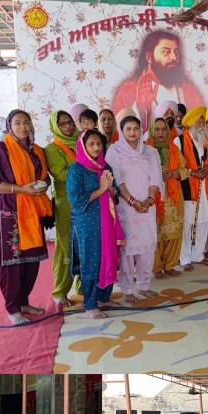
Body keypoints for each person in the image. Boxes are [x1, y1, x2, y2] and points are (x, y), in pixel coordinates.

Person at [0, 109, 52, 326]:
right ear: (9, 126)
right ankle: (12, 308)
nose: (22, 127)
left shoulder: (36, 150)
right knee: (11, 264)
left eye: (26, 122)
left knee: (30, 262)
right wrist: (20, 189)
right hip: (8, 215)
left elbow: (44, 176)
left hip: (32, 211)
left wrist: (43, 185)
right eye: (17, 123)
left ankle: (23, 302)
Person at [66, 129, 123, 318]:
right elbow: (75, 201)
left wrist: (111, 190)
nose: (96, 147)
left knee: (109, 256)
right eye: (91, 144)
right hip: (87, 223)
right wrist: (101, 189)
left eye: (99, 144)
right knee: (91, 261)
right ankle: (90, 304)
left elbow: (114, 193)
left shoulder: (105, 166)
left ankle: (103, 297)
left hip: (107, 221)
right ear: (83, 146)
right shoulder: (76, 169)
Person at [106, 114, 161, 303]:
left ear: (141, 130)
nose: (132, 132)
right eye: (128, 129)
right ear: (122, 131)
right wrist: (132, 202)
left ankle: (144, 285)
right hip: (126, 208)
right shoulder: (114, 151)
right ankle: (127, 289)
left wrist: (150, 199)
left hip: (147, 206)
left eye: (136, 128)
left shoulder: (150, 152)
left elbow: (155, 178)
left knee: (147, 247)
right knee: (127, 249)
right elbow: (117, 179)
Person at [112, 29, 204, 123]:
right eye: (166, 52)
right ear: (149, 57)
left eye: (176, 52)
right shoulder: (129, 89)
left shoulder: (188, 88)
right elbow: (118, 125)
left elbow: (200, 120)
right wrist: (142, 106)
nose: (174, 58)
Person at [44, 110, 79, 308]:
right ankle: (60, 290)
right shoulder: (52, 149)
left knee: (85, 243)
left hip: (87, 199)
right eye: (63, 124)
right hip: (66, 202)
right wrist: (87, 170)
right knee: (66, 244)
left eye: (70, 122)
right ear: (55, 127)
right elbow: (62, 174)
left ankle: (83, 286)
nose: (68, 126)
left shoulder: (82, 141)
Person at [177, 107, 208, 270]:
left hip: (205, 186)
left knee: (204, 222)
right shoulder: (179, 141)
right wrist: (192, 173)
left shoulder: (205, 139)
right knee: (187, 223)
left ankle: (198, 255)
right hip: (188, 188)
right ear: (190, 123)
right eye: (199, 122)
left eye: (202, 121)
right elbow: (177, 166)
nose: (202, 125)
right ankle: (184, 257)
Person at [149, 115, 187, 277]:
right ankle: (156, 267)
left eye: (164, 129)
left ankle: (170, 265)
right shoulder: (145, 149)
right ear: (151, 131)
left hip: (173, 196)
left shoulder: (174, 149)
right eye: (157, 129)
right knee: (154, 231)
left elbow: (184, 170)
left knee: (174, 230)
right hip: (153, 196)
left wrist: (172, 173)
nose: (161, 133)